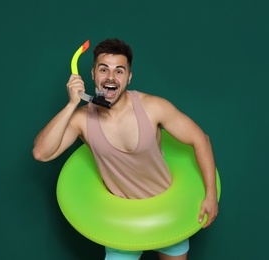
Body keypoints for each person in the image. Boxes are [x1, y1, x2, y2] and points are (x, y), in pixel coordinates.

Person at [33, 38, 218, 260]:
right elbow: (41, 153)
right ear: (93, 74)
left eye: (119, 71)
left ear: (128, 77)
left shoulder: (153, 107)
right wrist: (72, 103)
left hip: (167, 212)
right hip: (121, 220)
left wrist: (211, 195)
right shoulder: (81, 119)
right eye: (104, 70)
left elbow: (201, 139)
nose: (111, 77)